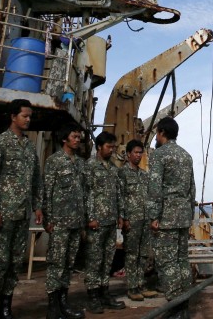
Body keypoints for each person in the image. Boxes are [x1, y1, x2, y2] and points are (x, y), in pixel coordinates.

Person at [0, 99, 43, 319]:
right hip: (3, 214)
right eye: (24, 116)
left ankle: (5, 308)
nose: (28, 120)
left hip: (22, 214)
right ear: (13, 116)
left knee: (14, 263)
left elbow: (36, 179)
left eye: (30, 116)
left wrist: (37, 205)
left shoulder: (28, 146)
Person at [147, 116, 196, 319]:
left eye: (157, 133)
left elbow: (155, 188)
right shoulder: (186, 156)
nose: (156, 137)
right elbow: (191, 189)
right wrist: (189, 214)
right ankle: (183, 306)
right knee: (182, 261)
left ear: (162, 133)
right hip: (183, 216)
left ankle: (175, 308)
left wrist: (153, 215)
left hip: (166, 217)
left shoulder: (159, 155)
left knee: (167, 264)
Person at [40, 125, 88, 319]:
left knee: (68, 264)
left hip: (76, 222)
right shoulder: (54, 162)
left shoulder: (80, 163)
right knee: (56, 264)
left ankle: (63, 302)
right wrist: (48, 218)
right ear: (64, 139)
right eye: (74, 136)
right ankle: (52, 307)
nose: (77, 140)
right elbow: (47, 191)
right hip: (59, 222)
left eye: (79, 137)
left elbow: (84, 193)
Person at [83, 131, 127, 313]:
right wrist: (90, 218)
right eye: (109, 147)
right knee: (94, 259)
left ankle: (104, 292)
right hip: (96, 221)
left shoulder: (113, 169)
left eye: (113, 147)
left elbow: (118, 194)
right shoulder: (90, 167)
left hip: (110, 221)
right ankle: (93, 296)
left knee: (107, 259)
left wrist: (120, 215)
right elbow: (87, 194)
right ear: (99, 147)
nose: (112, 150)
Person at [119, 139, 159, 302]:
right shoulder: (122, 173)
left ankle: (142, 284)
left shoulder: (144, 175)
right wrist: (124, 218)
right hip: (132, 220)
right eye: (135, 152)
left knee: (143, 255)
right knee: (131, 254)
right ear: (128, 154)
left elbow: (150, 197)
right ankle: (132, 287)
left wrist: (151, 217)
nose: (138, 155)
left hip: (144, 220)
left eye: (140, 152)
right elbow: (120, 197)